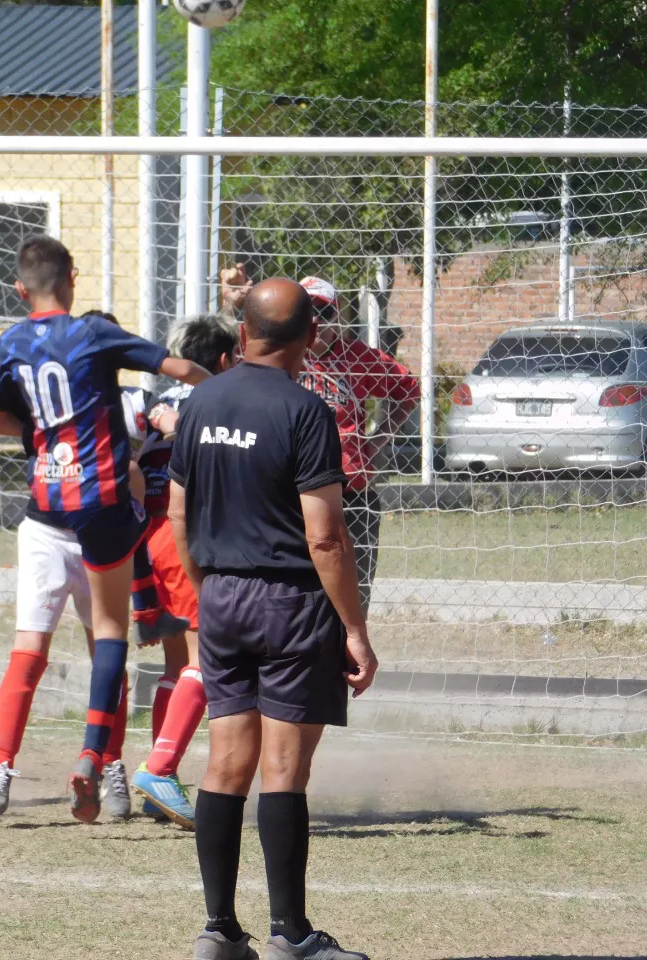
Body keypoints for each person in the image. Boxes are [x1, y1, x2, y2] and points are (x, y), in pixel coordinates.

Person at [168, 278, 378, 960]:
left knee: (225, 763)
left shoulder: (200, 401)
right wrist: (354, 628)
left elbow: (177, 513)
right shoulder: (307, 411)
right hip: (291, 603)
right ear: (310, 337)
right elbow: (324, 537)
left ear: (242, 330)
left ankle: (219, 930)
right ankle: (291, 934)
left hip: (221, 598)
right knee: (283, 770)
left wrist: (209, 591)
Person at [0, 236, 209, 822]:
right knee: (110, 632)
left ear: (19, 288)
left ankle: (3, 767)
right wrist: (235, 392)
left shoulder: (9, 342)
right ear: (73, 279)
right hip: (103, 498)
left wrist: (44, 441)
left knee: (32, 642)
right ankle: (94, 753)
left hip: (47, 499)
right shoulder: (93, 334)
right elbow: (179, 366)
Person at [129, 316, 239, 829]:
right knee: (205, 659)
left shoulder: (159, 400)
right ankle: (161, 767)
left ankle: (159, 782)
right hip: (182, 535)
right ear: (223, 361)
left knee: (178, 666)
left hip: (148, 538)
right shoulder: (213, 401)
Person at [298, 277, 418, 613]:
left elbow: (406, 388)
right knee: (302, 595)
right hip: (296, 493)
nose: (314, 322)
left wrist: (378, 437)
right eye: (305, 312)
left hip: (351, 489)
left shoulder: (357, 355)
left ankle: (348, 660)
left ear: (337, 315)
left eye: (322, 311)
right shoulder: (284, 357)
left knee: (352, 594)